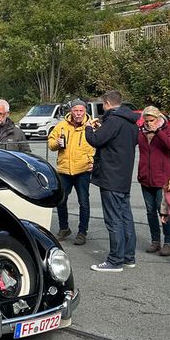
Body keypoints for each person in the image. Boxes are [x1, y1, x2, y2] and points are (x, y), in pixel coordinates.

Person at [84, 90, 140, 272]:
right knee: (125, 217)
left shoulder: (114, 120)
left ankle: (115, 260)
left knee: (113, 219)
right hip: (124, 175)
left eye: (103, 104)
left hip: (110, 176)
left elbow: (96, 139)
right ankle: (128, 257)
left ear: (107, 103)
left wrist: (88, 127)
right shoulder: (131, 122)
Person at [47, 99, 95, 245]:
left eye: (81, 111)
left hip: (83, 169)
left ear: (85, 111)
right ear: (71, 111)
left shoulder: (92, 126)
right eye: (75, 111)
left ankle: (82, 232)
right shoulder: (61, 126)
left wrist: (95, 162)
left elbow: (100, 145)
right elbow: (51, 143)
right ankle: (64, 228)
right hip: (64, 169)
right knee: (60, 200)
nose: (78, 113)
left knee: (84, 202)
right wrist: (57, 144)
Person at [137, 105, 170, 256]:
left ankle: (168, 242)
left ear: (158, 118)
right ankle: (155, 241)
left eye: (151, 120)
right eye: (146, 120)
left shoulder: (166, 129)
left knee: (164, 212)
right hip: (145, 178)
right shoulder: (141, 131)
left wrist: (158, 132)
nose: (148, 123)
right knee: (150, 212)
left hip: (162, 179)